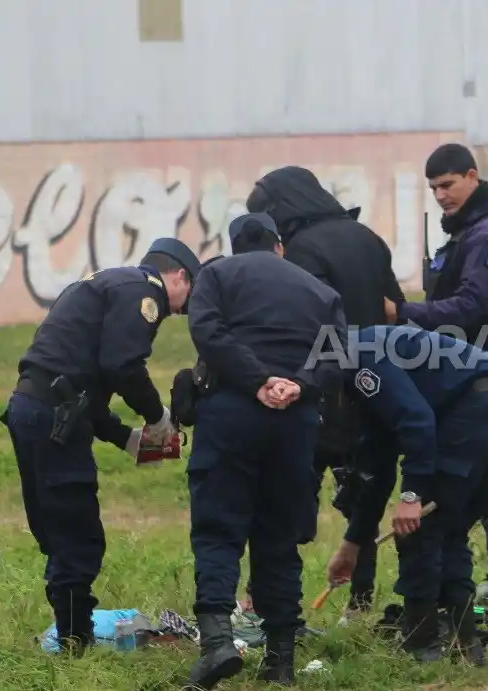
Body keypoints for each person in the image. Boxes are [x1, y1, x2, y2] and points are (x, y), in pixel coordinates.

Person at [271, 324, 488, 665]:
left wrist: (411, 496)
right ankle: (465, 647)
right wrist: (352, 546)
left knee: (417, 529)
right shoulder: (364, 375)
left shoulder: (356, 356)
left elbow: (417, 422)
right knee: (448, 530)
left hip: (475, 411)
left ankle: (421, 646)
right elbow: (379, 471)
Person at [1, 237, 199, 655]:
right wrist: (157, 417)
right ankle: (76, 643)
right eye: (189, 292)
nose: (182, 308)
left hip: (32, 408)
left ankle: (70, 632)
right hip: (55, 417)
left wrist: (127, 440)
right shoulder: (146, 293)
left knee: (55, 529)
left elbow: (81, 384)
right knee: (77, 533)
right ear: (179, 275)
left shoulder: (104, 284)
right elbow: (122, 366)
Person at [183, 212, 347, 689]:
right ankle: (281, 660)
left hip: (232, 412)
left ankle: (216, 643)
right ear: (279, 247)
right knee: (278, 538)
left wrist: (257, 380)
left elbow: (208, 333)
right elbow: (337, 356)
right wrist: (297, 384)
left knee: (218, 528)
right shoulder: (319, 290)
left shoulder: (216, 274)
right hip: (294, 423)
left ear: (236, 247)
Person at [385, 143, 488, 608]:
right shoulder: (471, 230)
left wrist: (403, 314)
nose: (440, 195)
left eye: (448, 184)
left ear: (472, 177)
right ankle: (470, 585)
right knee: (473, 479)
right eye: (433, 188)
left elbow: (471, 307)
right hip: (465, 372)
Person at [246, 166, 405, 613]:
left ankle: (273, 600)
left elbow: (295, 320)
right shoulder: (368, 238)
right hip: (376, 380)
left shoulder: (299, 250)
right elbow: (392, 310)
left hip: (321, 387)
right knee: (366, 492)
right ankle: (362, 599)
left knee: (290, 493)